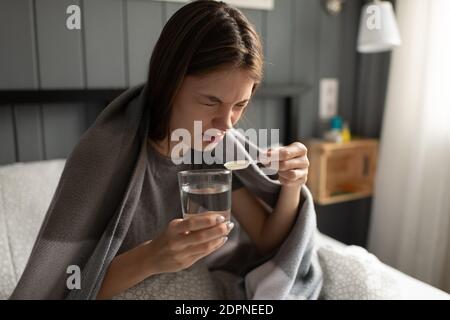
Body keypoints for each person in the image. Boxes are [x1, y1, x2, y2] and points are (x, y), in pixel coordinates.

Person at [96, 0, 310, 299]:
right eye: (211, 102)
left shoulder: (211, 151)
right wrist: (151, 257)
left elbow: (267, 240)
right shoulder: (109, 158)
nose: (226, 124)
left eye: (240, 105)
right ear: (168, 84)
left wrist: (292, 185)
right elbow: (70, 285)